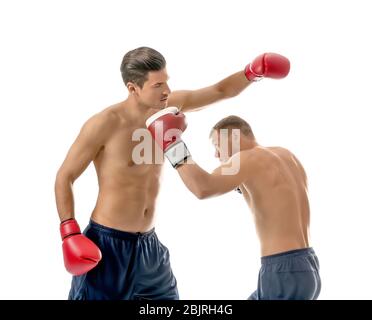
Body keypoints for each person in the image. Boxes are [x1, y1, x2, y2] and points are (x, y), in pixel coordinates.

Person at [55, 47, 290, 300]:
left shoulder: (169, 108)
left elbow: (220, 91)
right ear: (133, 88)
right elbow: (64, 177)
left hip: (149, 245)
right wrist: (69, 232)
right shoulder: (105, 123)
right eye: (158, 85)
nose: (166, 90)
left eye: (167, 81)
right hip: (107, 245)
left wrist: (252, 73)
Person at [146, 111, 320, 300]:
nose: (216, 154)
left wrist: (171, 144)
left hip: (282, 270)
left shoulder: (248, 159)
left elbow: (202, 188)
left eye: (217, 145)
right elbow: (272, 195)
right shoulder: (285, 155)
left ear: (232, 137)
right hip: (307, 266)